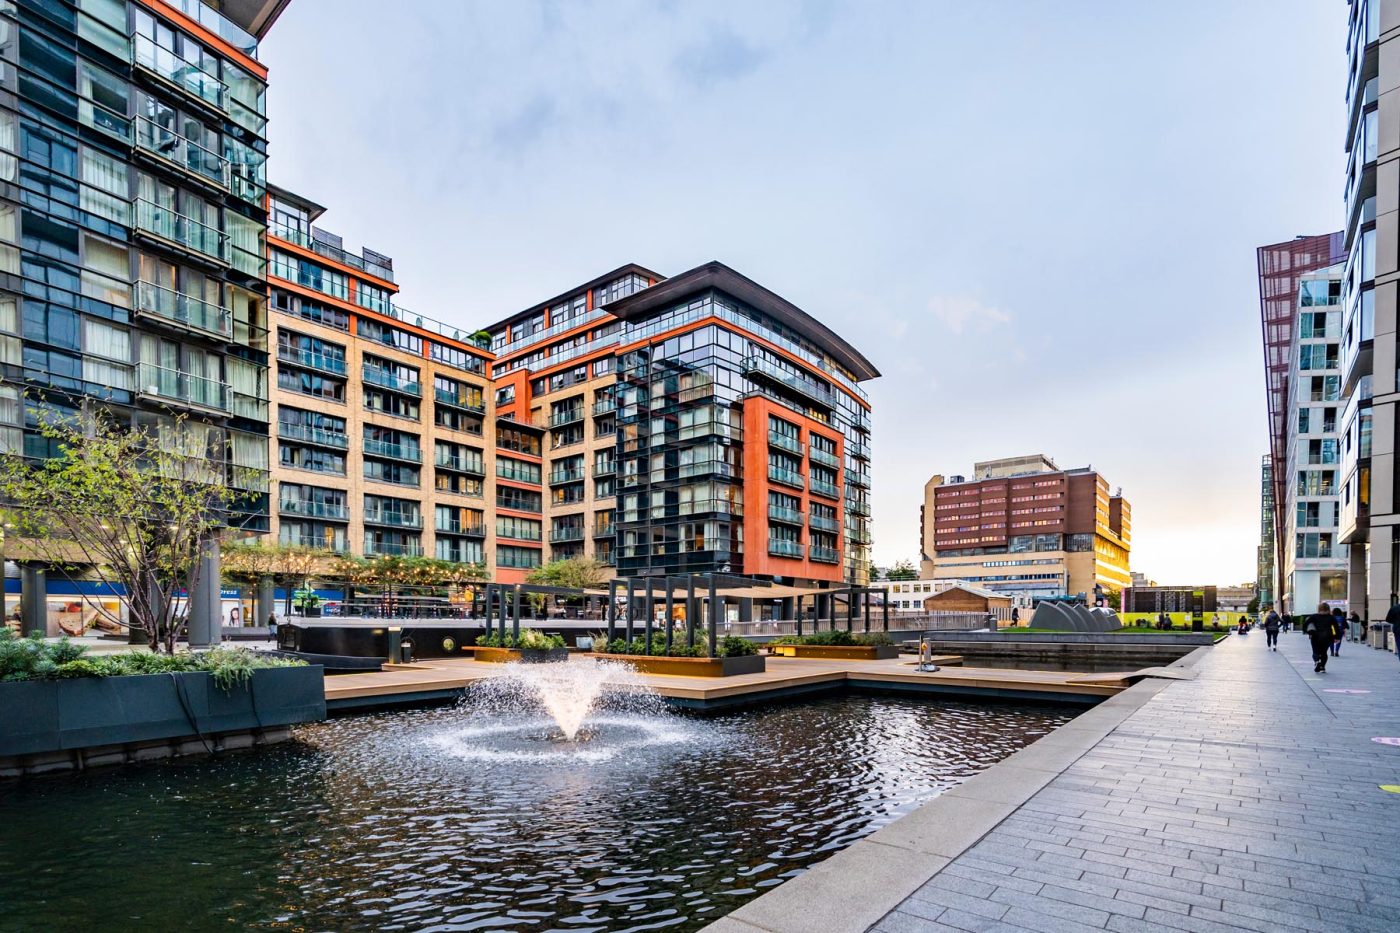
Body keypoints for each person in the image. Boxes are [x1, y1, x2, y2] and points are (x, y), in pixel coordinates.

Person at [1306, 602, 1335, 673]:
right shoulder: (1331, 617)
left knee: (1315, 651)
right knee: (1324, 652)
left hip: (1316, 636)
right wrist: (1336, 637)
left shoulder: (1314, 616)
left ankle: (1317, 661)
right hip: (1327, 636)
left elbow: (1306, 623)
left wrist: (1307, 632)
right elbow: (1335, 627)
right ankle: (1322, 667)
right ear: (1328, 609)